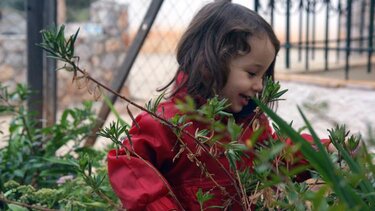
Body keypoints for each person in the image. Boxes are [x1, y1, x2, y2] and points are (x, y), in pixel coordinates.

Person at [107, 1, 328, 210]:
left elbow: (276, 157)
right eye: (252, 73)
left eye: (263, 76)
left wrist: (324, 151)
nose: (260, 86)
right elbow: (128, 164)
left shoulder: (250, 123)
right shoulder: (168, 124)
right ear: (208, 65)